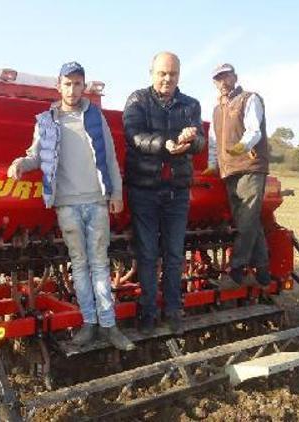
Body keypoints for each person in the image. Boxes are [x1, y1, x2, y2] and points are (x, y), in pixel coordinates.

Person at [7, 62, 134, 351]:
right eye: (67, 83)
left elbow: (111, 157)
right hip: (66, 204)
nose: (72, 89)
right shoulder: (46, 121)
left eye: (78, 84)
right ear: (59, 86)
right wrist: (20, 163)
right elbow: (35, 156)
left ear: (83, 86)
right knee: (79, 264)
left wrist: (116, 193)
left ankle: (109, 325)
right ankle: (89, 323)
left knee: (100, 265)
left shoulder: (95, 116)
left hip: (96, 201)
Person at [122, 52, 206, 335]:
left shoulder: (190, 105)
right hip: (144, 189)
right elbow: (133, 136)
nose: (167, 79)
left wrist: (191, 141)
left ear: (179, 75)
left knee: (173, 253)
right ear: (152, 73)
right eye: (162, 73)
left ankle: (172, 309)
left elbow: (201, 142)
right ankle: (148, 310)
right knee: (147, 253)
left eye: (172, 74)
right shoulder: (137, 100)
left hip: (177, 190)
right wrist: (164, 145)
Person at [205, 63, 271, 287]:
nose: (222, 82)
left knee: (247, 220)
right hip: (228, 171)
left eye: (226, 76)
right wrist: (212, 164)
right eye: (218, 79)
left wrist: (242, 147)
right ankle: (262, 268)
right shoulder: (216, 110)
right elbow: (213, 142)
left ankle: (237, 267)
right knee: (249, 220)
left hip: (250, 166)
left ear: (234, 77)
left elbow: (254, 130)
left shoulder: (249, 99)